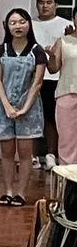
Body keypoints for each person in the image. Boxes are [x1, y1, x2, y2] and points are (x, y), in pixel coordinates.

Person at [0, 7, 48, 207]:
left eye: (22, 22)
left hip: (28, 108)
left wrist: (24, 108)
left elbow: (37, 82)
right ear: (7, 26)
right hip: (3, 106)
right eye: (13, 23)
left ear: (29, 25)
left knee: (25, 154)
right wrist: (6, 106)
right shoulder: (1, 50)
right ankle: (7, 191)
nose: (18, 26)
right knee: (6, 153)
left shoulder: (37, 51)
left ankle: (21, 193)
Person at [32, 0, 72, 169]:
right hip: (32, 78)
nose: (45, 6)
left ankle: (50, 154)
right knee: (31, 116)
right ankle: (31, 155)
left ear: (56, 5)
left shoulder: (66, 25)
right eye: (41, 2)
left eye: (49, 2)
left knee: (51, 118)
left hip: (54, 78)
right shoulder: (29, 25)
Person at [47, 16, 77, 165]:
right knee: (67, 140)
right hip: (67, 93)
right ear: (74, 18)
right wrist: (52, 57)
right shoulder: (63, 41)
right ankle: (68, 182)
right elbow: (53, 69)